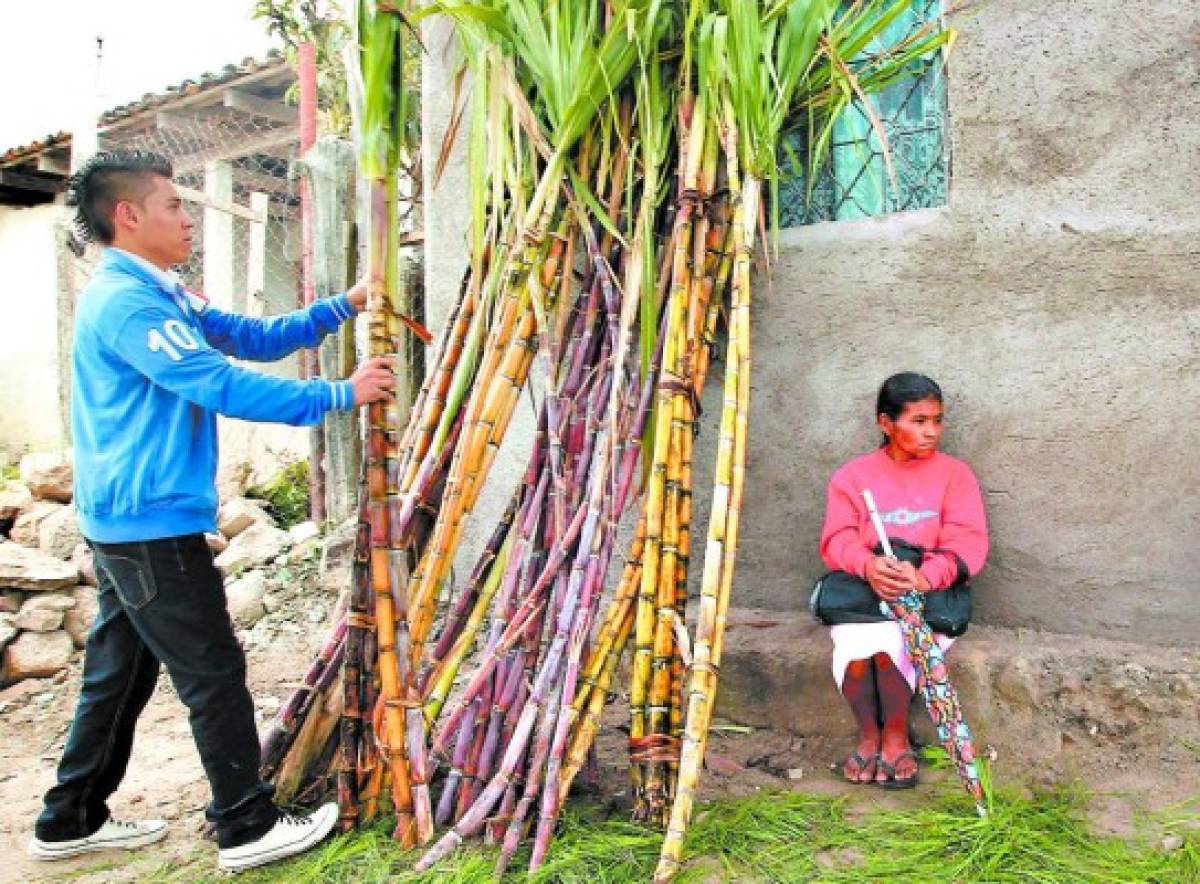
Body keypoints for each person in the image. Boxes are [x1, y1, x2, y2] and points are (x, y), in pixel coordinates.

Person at [28, 150, 398, 873]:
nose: (188, 217)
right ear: (128, 216)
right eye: (173, 205)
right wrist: (337, 396)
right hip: (148, 526)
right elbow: (215, 381)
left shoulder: (162, 289)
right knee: (213, 672)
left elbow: (248, 338)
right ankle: (244, 826)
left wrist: (342, 307)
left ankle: (68, 819)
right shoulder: (125, 302)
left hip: (130, 521)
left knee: (118, 676)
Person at [818, 372, 988, 789]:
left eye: (937, 420)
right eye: (919, 421)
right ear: (885, 423)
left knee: (893, 646)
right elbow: (837, 539)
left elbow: (969, 541)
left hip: (926, 595)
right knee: (862, 649)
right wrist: (868, 566)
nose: (932, 432)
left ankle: (894, 736)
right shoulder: (853, 477)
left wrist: (925, 577)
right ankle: (869, 734)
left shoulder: (955, 475)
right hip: (868, 590)